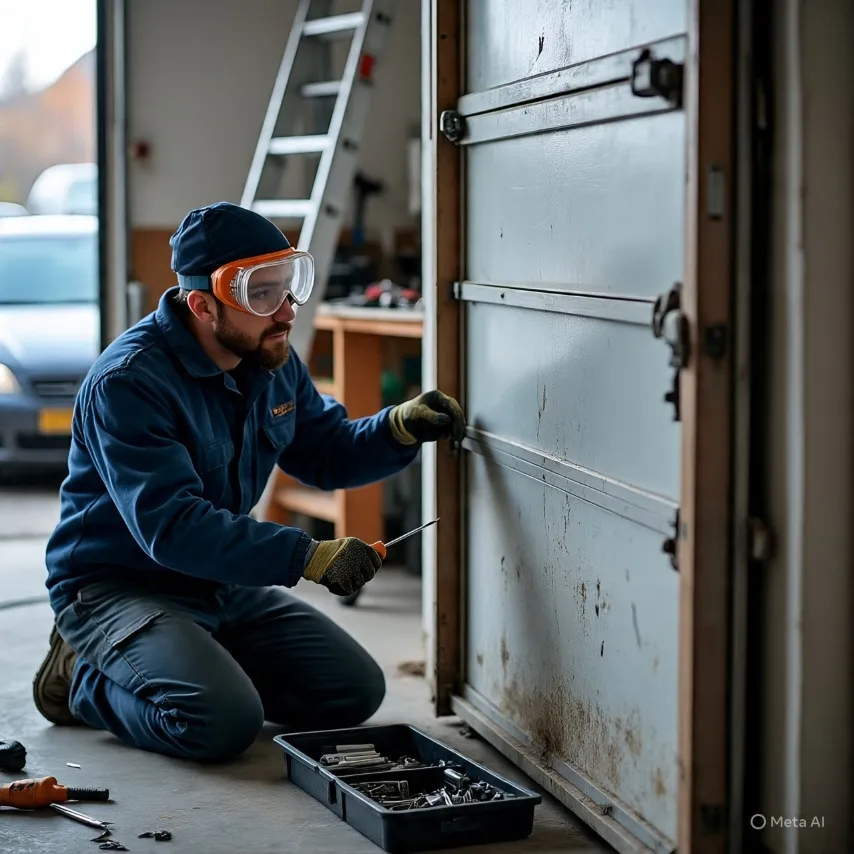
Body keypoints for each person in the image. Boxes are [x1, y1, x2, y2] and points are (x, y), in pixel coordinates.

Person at [32, 201, 465, 763]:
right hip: (117, 589)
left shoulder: (270, 357)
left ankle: (194, 661)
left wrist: (398, 428)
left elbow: (327, 453)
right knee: (220, 723)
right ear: (203, 305)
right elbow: (174, 527)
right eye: (261, 295)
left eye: (287, 287)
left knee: (352, 691)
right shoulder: (129, 383)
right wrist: (305, 555)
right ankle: (81, 678)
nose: (285, 311)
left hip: (215, 583)